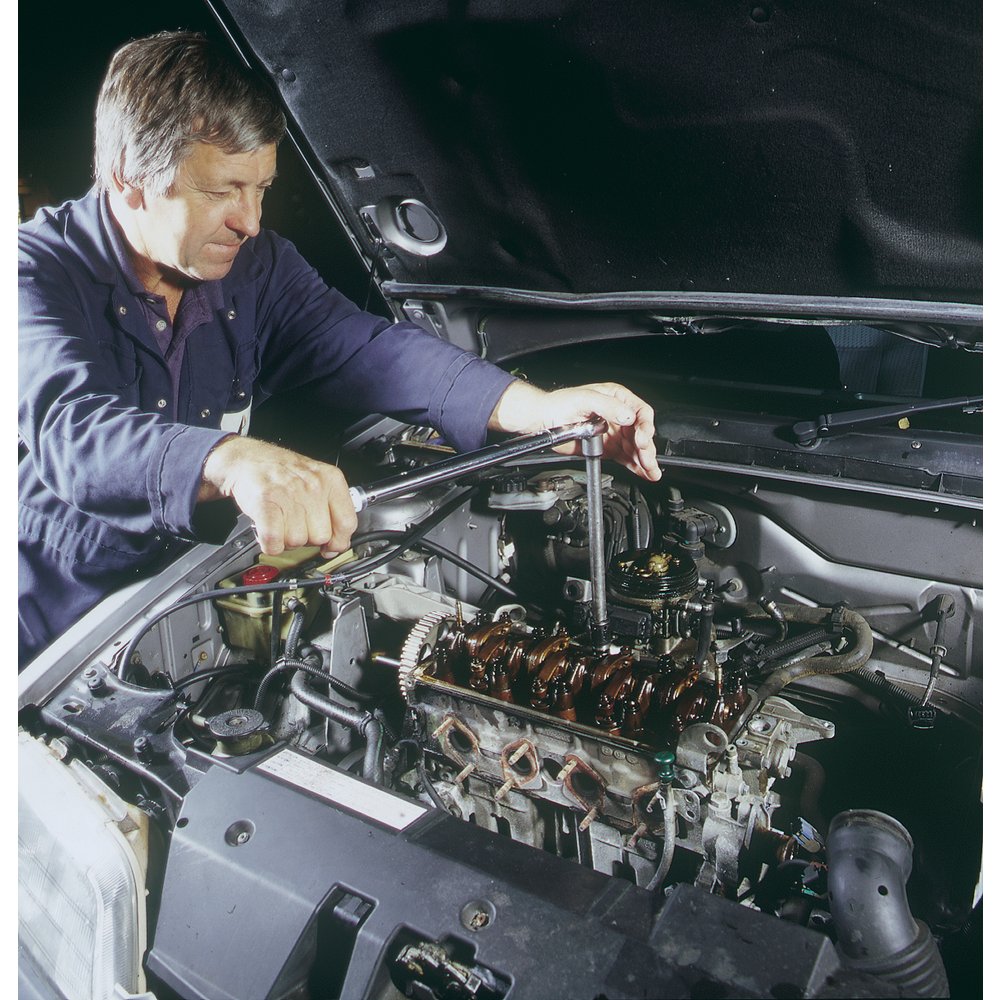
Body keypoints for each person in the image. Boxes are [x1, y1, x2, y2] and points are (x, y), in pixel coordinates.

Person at [18, 30, 660, 668]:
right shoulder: (28, 273)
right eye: (221, 191)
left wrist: (535, 408)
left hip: (198, 596)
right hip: (56, 627)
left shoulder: (257, 266)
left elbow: (369, 350)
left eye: (261, 188)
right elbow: (71, 427)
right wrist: (233, 460)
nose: (250, 221)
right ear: (129, 178)